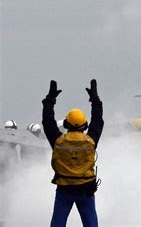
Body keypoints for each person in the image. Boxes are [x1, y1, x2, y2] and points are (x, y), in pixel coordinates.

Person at [42, 79, 104, 227]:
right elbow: (98, 121)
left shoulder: (58, 142)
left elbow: (47, 122)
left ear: (66, 123)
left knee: (57, 224)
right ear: (84, 124)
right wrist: (95, 99)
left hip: (64, 190)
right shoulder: (91, 141)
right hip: (86, 190)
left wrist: (50, 99)